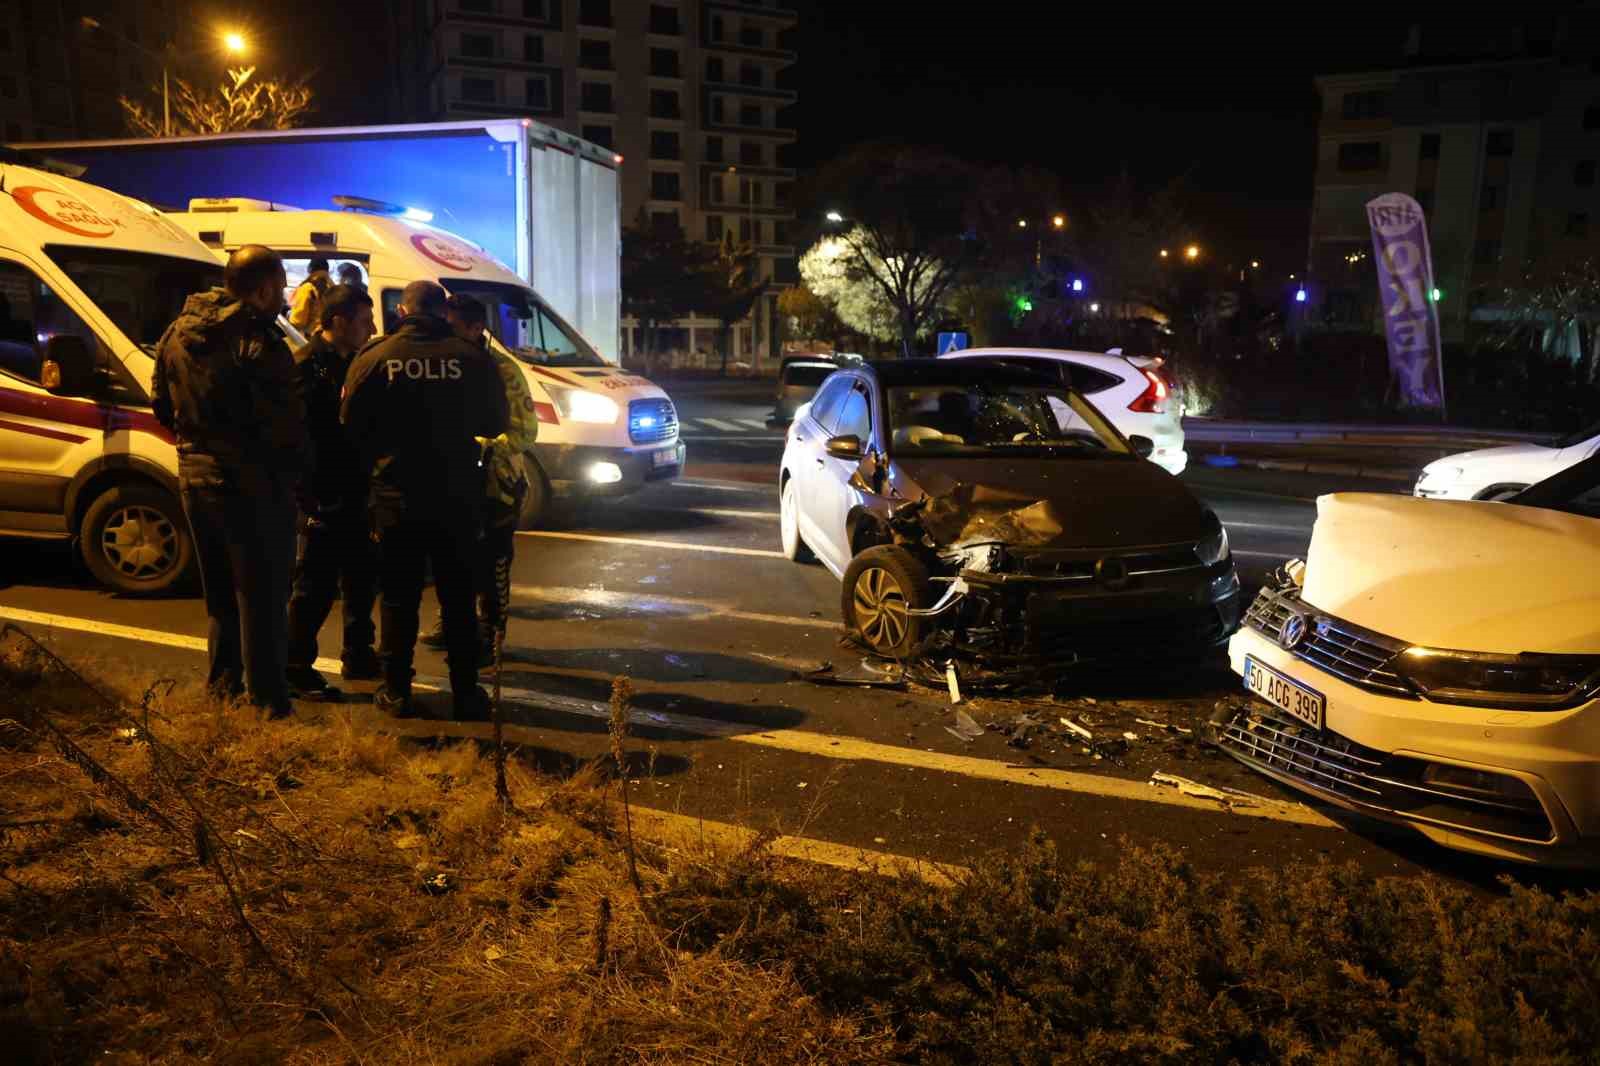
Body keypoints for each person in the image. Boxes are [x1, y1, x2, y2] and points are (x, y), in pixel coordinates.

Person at [341, 280, 509, 719]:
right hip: (457, 494)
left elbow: (351, 424)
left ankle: (397, 690)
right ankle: (466, 693)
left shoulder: (377, 356)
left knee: (399, 595)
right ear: (444, 312)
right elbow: (494, 423)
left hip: (398, 495)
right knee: (457, 594)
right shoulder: (472, 357)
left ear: (402, 310)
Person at [152, 245, 307, 717]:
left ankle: (222, 692)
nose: (283, 296)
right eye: (280, 286)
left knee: (221, 597)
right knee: (262, 598)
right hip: (252, 485)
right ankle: (266, 706)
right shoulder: (259, 342)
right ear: (261, 289)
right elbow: (285, 425)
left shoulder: (178, 332)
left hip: (195, 475)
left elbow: (161, 404)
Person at [420, 294, 535, 655]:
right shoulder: (446, 361)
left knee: (494, 563)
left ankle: (492, 637)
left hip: (497, 484)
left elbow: (525, 430)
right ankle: (452, 621)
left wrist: (480, 445)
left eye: (454, 328)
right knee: (452, 556)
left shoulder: (503, 370)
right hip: (454, 480)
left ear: (476, 328)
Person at [284, 284, 380, 699]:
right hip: (323, 494)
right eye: (363, 321)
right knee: (315, 587)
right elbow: (302, 439)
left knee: (361, 578)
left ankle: (358, 655)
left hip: (356, 489)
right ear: (337, 322)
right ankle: (294, 666)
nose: (372, 328)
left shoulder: (356, 362)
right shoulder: (306, 366)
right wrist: (311, 496)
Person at [288, 257, 332, 335]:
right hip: (328, 335)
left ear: (310, 269)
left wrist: (288, 314)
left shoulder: (307, 288)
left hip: (312, 337)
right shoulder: (333, 287)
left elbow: (297, 321)